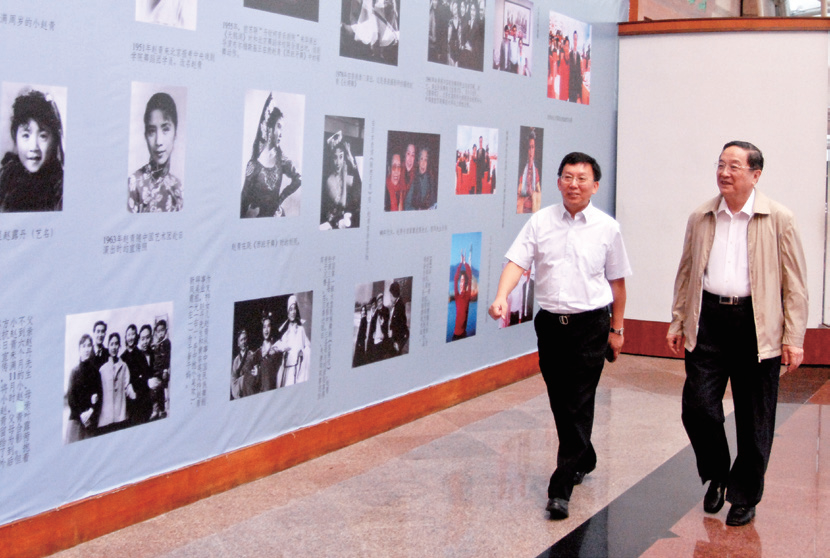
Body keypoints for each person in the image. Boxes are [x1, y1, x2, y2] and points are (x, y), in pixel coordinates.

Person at [667, 141, 808, 527]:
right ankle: (718, 474)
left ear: (755, 175)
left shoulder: (779, 218)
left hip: (756, 324)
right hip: (708, 320)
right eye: (720, 165)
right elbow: (686, 272)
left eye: (734, 166)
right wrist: (678, 321)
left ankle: (744, 495)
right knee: (697, 407)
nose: (724, 173)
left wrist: (793, 337)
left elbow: (795, 283)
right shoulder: (701, 216)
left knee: (754, 416)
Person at [488, 152, 630, 520]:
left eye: (582, 179)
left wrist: (617, 329)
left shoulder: (607, 228)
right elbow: (517, 262)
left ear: (594, 186)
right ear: (558, 182)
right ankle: (585, 455)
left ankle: (560, 489)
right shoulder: (540, 221)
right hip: (551, 325)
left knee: (579, 401)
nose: (574, 185)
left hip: (591, 325)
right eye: (568, 177)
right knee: (560, 399)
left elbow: (617, 283)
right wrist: (502, 296)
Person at [0, 88, 64, 212]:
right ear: (15, 137)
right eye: (26, 135)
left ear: (55, 139)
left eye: (43, 136)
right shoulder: (6, 177)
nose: (34, 147)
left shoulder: (60, 188)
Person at [240, 96, 301, 218]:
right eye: (279, 126)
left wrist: (280, 200)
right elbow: (243, 203)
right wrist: (249, 215)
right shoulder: (253, 165)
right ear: (269, 128)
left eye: (282, 128)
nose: (281, 134)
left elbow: (299, 179)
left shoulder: (281, 159)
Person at [128, 92, 184, 213]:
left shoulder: (179, 189)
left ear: (175, 133)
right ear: (145, 135)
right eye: (152, 131)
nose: (158, 141)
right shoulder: (133, 185)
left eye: (165, 129)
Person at [65, 334, 102, 442]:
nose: (86, 349)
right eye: (84, 346)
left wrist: (90, 411)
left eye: (89, 345)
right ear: (79, 349)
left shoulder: (95, 372)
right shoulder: (74, 372)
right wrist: (81, 414)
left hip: (90, 421)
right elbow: (71, 398)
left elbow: (99, 396)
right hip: (76, 419)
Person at [97, 333, 136, 434]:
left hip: (120, 414)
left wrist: (133, 394)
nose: (114, 347)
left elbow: (127, 386)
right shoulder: (102, 369)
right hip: (106, 416)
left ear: (119, 346)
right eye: (111, 344)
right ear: (108, 346)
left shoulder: (124, 366)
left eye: (116, 344)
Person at [275, 295, 310, 386]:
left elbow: (308, 346)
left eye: (294, 309)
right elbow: (279, 347)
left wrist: (303, 352)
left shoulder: (301, 330)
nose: (293, 312)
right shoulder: (285, 333)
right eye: (290, 309)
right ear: (287, 312)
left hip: (298, 367)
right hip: (287, 369)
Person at [122, 324, 154, 425]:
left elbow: (146, 376)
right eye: (128, 335)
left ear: (136, 336)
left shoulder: (141, 355)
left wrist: (137, 389)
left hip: (141, 398)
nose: (130, 337)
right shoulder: (122, 357)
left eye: (133, 334)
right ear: (125, 337)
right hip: (128, 400)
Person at [150, 320, 171, 419]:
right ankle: (156, 409)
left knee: (162, 389)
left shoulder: (167, 343)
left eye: (162, 330)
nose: (160, 333)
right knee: (156, 390)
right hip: (156, 371)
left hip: (163, 371)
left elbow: (167, 357)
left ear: (166, 330)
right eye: (158, 331)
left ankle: (163, 410)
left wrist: (165, 370)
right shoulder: (157, 343)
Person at [517, 130, 540, 213]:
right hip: (523, 208)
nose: (531, 151)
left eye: (533, 147)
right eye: (529, 147)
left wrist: (533, 194)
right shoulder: (523, 170)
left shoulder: (535, 171)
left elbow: (539, 192)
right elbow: (519, 191)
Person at [452, 250, 473, 341]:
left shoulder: (467, 296)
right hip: (456, 335)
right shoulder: (457, 296)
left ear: (466, 283)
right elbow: (455, 279)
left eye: (463, 281)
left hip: (464, 334)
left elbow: (470, 276)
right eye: (461, 281)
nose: (462, 283)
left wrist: (465, 263)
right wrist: (460, 263)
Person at [231, 329, 258, 399]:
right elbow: (233, 379)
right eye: (241, 340)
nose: (243, 342)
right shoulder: (236, 360)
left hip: (251, 386)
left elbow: (256, 371)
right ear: (238, 344)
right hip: (241, 390)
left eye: (245, 339)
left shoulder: (252, 354)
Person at [388, 282, 409, 355]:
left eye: (390, 295)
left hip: (397, 340)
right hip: (394, 339)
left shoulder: (400, 306)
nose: (390, 298)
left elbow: (402, 325)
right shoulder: (397, 304)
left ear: (394, 294)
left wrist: (398, 343)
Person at [568, 31, 583, 103]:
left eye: (576, 39)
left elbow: (579, 73)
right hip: (570, 87)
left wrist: (579, 91)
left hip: (576, 88)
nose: (575, 41)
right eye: (574, 39)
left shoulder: (579, 56)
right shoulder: (569, 54)